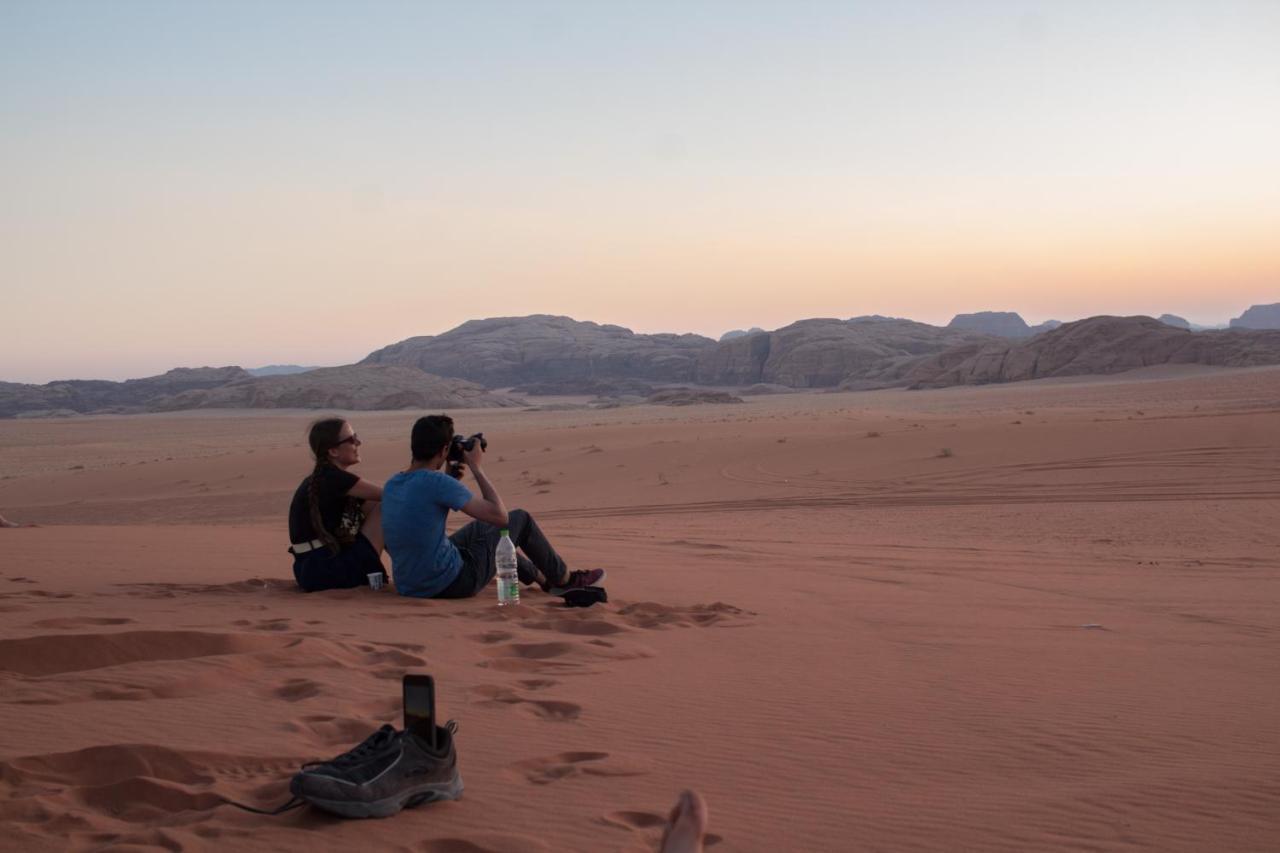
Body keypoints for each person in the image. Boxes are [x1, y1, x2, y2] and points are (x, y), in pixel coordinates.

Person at [381, 414, 604, 599]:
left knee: (484, 531)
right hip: (451, 583)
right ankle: (565, 580)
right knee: (519, 520)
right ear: (444, 449)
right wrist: (477, 468)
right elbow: (500, 516)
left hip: (410, 584)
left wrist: (450, 478)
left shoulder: (393, 483)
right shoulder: (437, 483)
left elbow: (423, 513)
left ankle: (543, 581)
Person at [287, 418, 387, 592]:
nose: (358, 443)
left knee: (373, 504)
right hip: (328, 570)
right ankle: (416, 567)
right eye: (351, 440)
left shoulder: (324, 478)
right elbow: (394, 496)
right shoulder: (334, 478)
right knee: (388, 507)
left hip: (309, 571)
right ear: (333, 451)